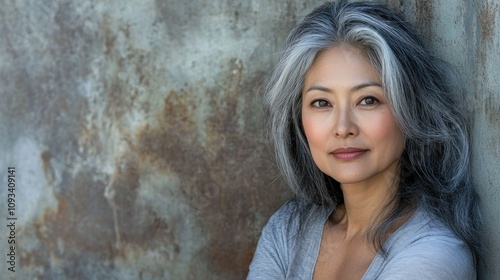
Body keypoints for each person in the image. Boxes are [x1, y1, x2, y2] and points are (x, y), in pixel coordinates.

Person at [247, 1, 482, 279]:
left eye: (368, 100)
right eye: (321, 102)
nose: (343, 127)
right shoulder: (287, 231)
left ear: (411, 110)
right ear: (300, 119)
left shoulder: (434, 255)